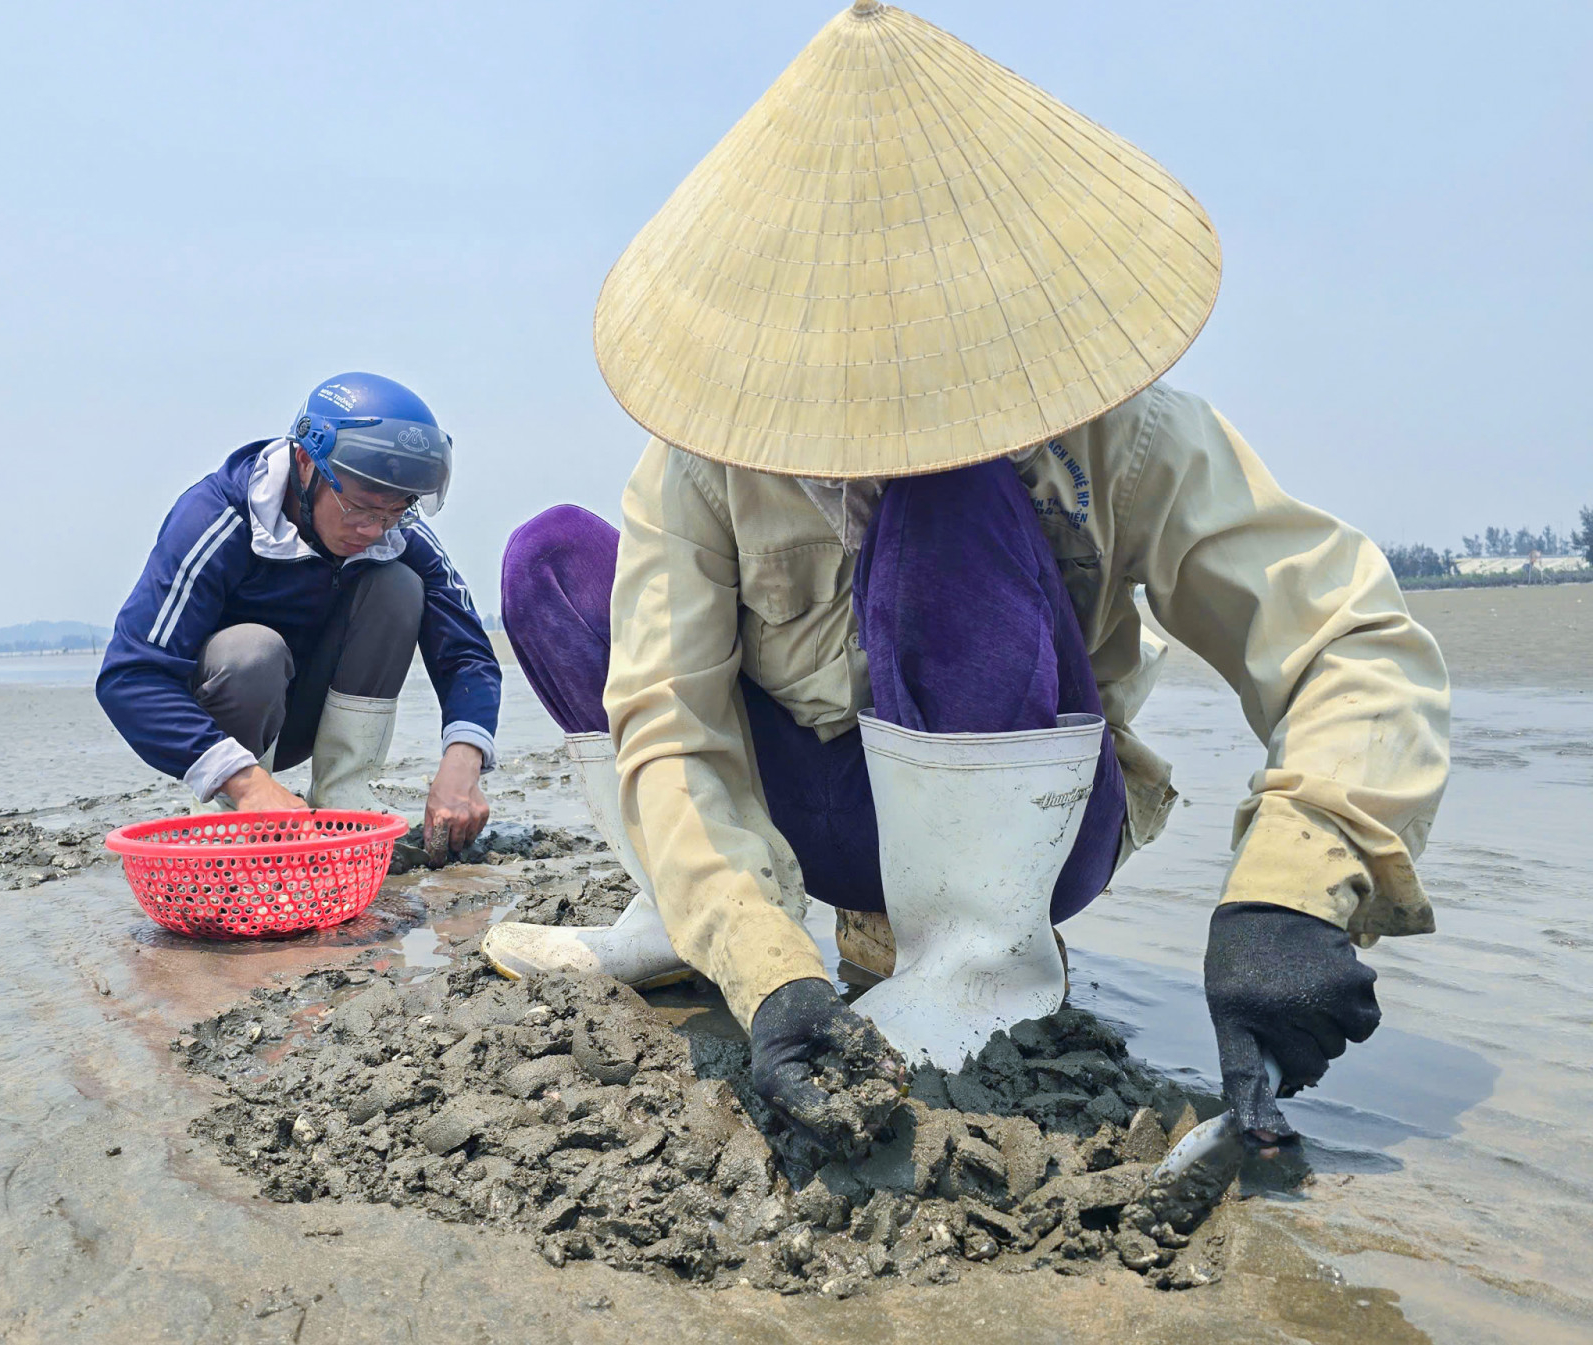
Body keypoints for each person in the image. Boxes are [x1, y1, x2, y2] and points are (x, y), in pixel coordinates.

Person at [483, 1, 1449, 1158]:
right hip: (804, 807)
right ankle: (687, 920)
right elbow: (669, 722)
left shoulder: (1126, 438)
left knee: (945, 504)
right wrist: (765, 967)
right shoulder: (701, 463)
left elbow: (1349, 639)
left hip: (1020, 828)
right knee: (550, 560)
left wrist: (1288, 896)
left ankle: (970, 962)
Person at [98, 372, 498, 860]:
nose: (373, 530)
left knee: (397, 584)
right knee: (251, 651)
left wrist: (464, 760)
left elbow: (469, 654)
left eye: (396, 512)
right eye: (360, 509)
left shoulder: (395, 534)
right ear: (307, 462)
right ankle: (232, 821)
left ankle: (343, 800)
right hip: (231, 716)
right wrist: (245, 784)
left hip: (317, 710)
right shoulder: (217, 518)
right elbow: (130, 674)